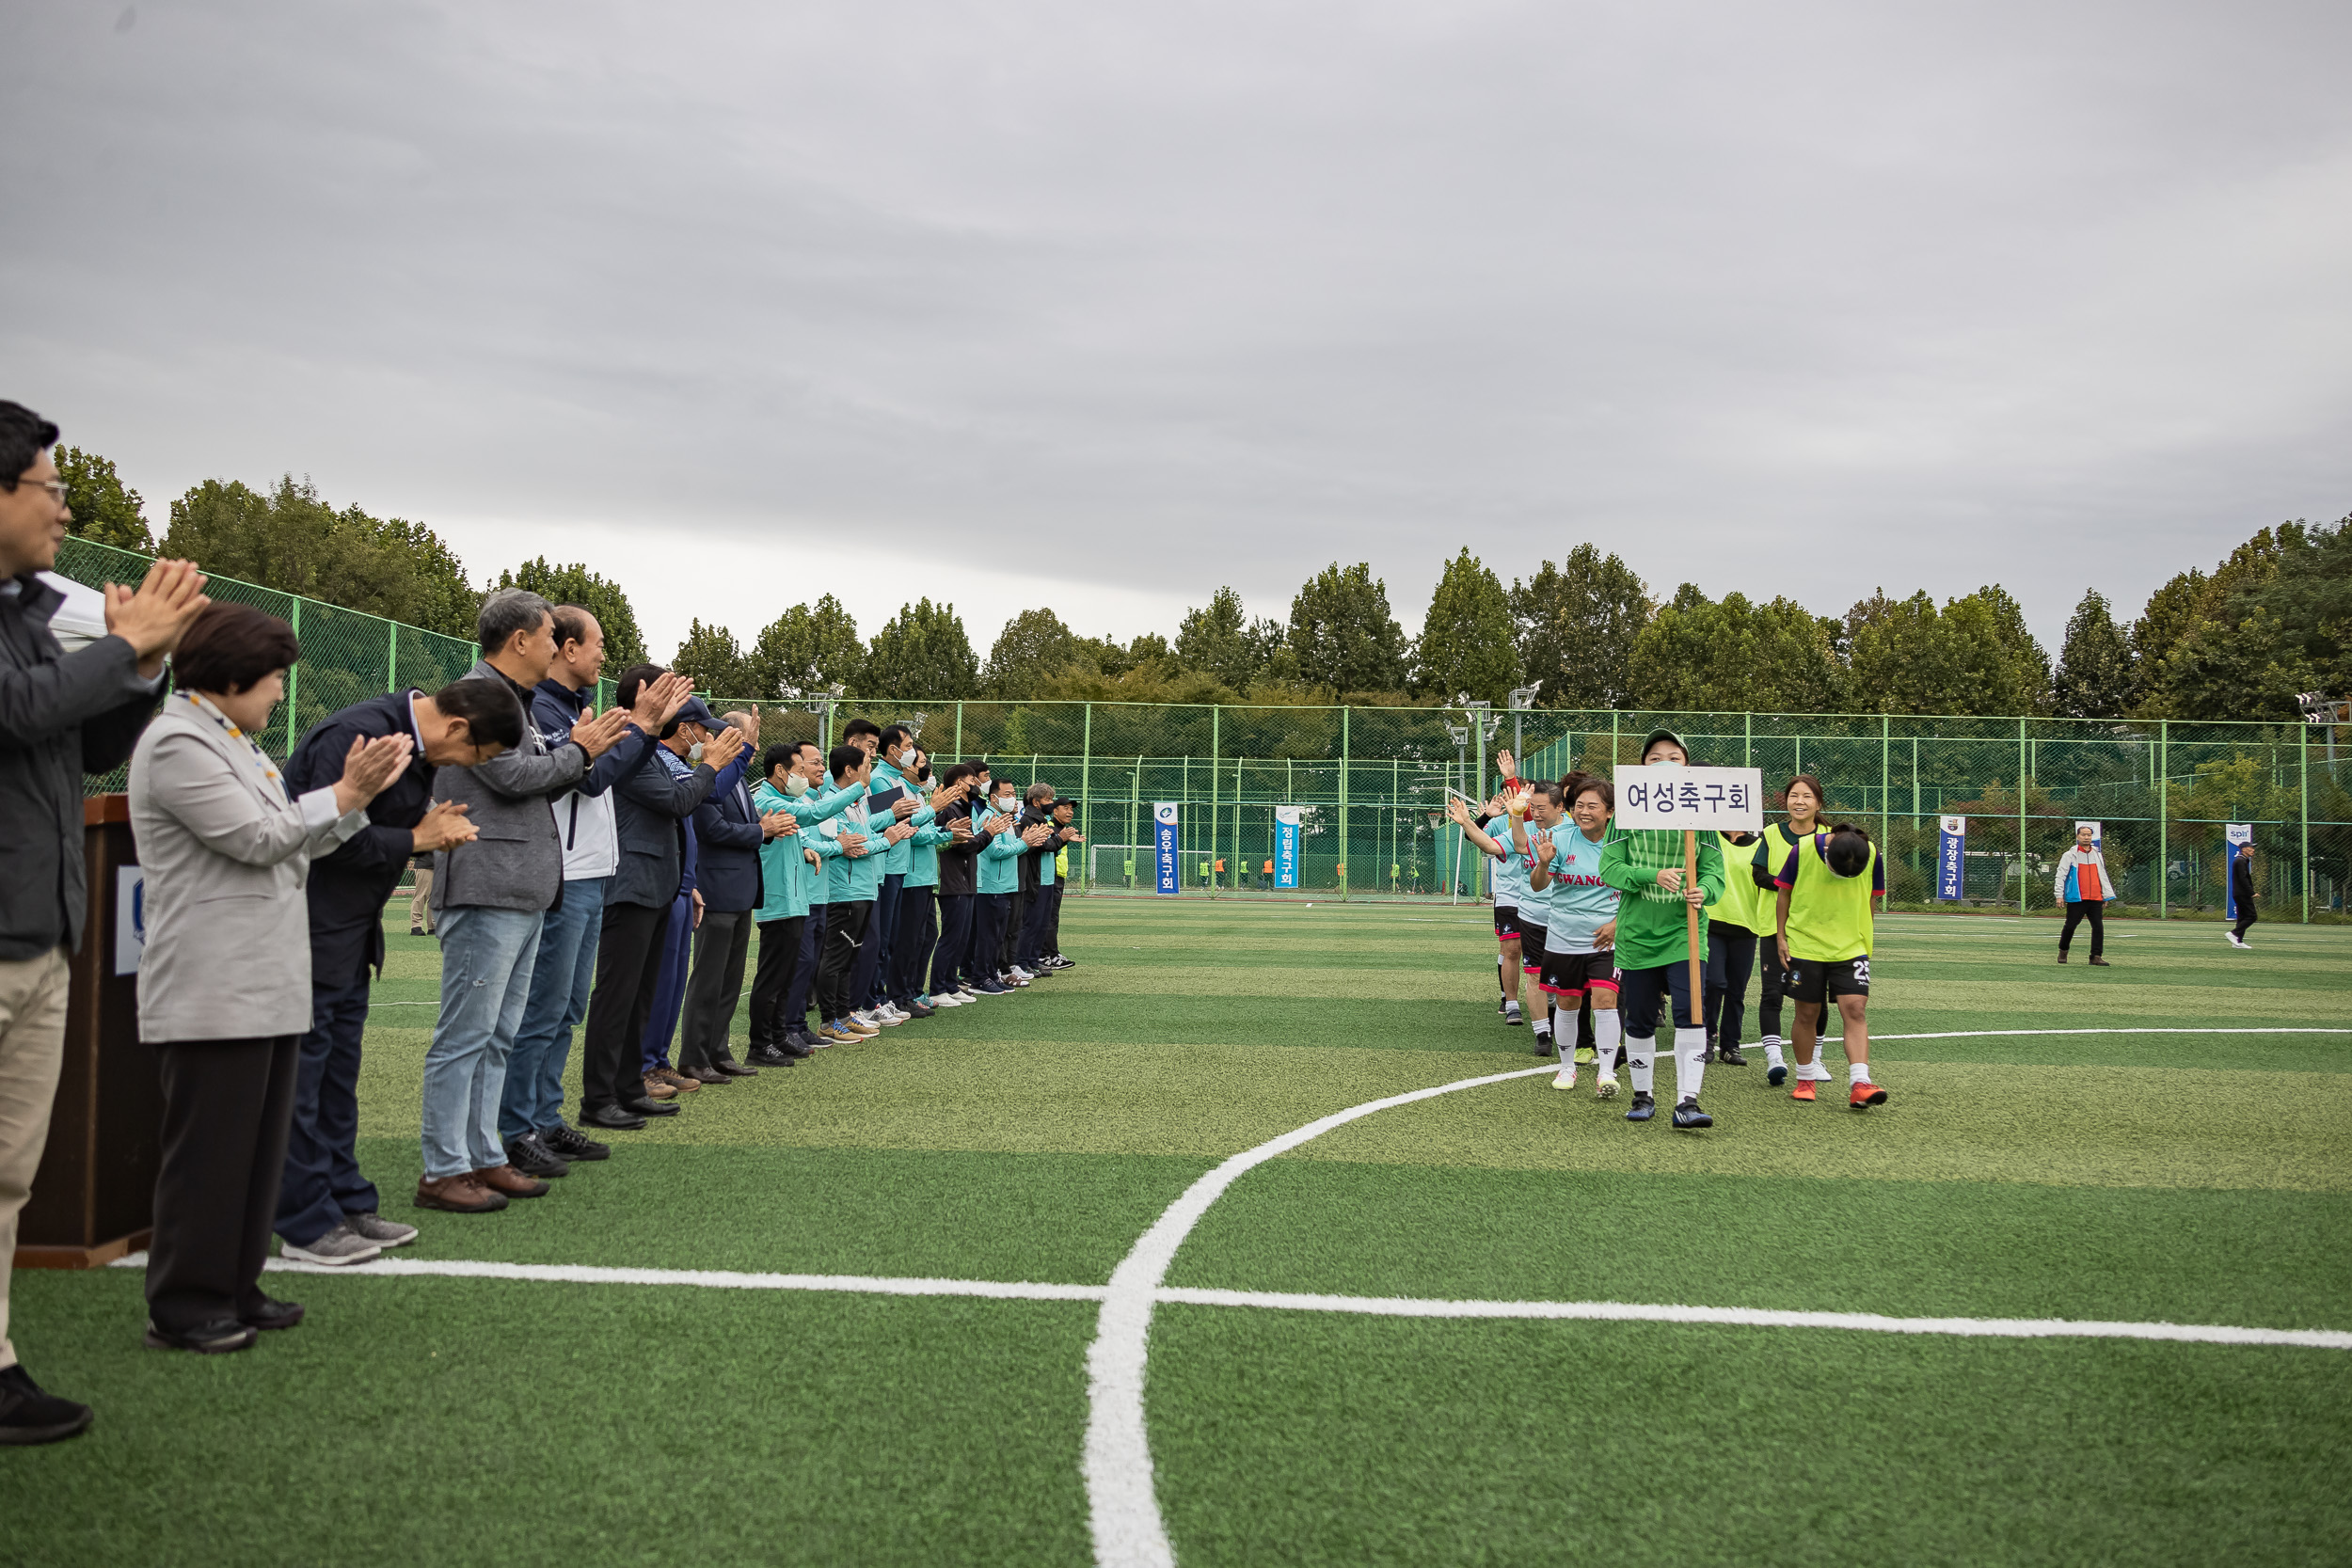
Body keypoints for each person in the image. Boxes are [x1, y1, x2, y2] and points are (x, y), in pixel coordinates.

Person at [128, 601, 411, 1353]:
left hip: (267, 977)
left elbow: (299, 839)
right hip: (213, 984)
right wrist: (345, 797)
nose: (282, 693)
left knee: (255, 1148)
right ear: (232, 674)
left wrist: (346, 809)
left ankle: (235, 1282)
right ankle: (185, 1304)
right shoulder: (176, 742)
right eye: (276, 678)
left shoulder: (236, 743)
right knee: (209, 1152)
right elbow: (258, 838)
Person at [0, 401, 202, 1441]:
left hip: (41, 926)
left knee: (9, 1171)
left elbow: (81, 745)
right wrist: (121, 642)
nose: (65, 513)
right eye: (51, 489)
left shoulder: (34, 617)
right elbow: (18, 708)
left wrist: (144, 663)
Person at [276, 680, 517, 1266]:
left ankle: (345, 1203)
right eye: (476, 756)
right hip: (302, 932)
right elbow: (308, 838)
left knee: (337, 1082)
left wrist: (423, 831)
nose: (468, 768)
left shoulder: (418, 751)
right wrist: (417, 838)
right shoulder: (355, 736)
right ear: (458, 729)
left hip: (349, 938)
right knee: (302, 1087)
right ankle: (304, 1222)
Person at [421, 590, 631, 1210]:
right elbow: (513, 777)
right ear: (519, 640)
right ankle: (443, 1167)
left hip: (517, 887)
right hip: (486, 884)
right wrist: (583, 750)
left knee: (498, 1034)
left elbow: (535, 770)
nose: (554, 647)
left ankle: (484, 1155)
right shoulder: (477, 695)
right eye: (547, 637)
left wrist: (575, 750)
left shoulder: (515, 700)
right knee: (466, 1035)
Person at [501, 612, 689, 1177]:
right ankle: (518, 1128)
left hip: (591, 873)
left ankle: (545, 1118)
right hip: (564, 872)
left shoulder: (569, 706)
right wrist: (642, 729)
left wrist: (638, 731)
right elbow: (590, 777)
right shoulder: (541, 707)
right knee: (544, 1009)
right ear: (567, 647)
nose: (605, 656)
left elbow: (600, 774)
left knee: (566, 1009)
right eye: (599, 645)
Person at [1597, 729, 1724, 1130]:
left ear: (1687, 766)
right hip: (1637, 935)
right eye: (1655, 758)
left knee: (1691, 1014)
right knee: (1639, 1017)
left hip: (1686, 936)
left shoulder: (1701, 818)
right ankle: (1642, 1095)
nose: (1665, 763)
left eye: (1674, 756)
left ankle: (1688, 1102)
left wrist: (1704, 890)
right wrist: (1652, 874)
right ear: (1641, 768)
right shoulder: (1625, 818)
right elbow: (1609, 868)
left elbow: (1716, 873)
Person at [678, 710, 795, 1082]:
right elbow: (711, 829)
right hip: (715, 890)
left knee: (729, 981)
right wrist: (761, 831)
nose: (752, 746)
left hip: (739, 891)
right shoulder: (706, 778)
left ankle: (718, 1051)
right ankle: (694, 1057)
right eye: (747, 738)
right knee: (708, 979)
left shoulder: (738, 780)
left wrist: (764, 830)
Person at [747, 740, 866, 1061]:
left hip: (797, 900)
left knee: (788, 976)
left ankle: (780, 1034)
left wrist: (808, 848)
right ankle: (760, 1044)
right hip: (778, 902)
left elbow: (802, 833)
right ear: (780, 771)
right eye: (800, 769)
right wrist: (858, 787)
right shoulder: (767, 800)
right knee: (773, 978)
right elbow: (815, 813)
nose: (806, 775)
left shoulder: (785, 799)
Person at [1773, 822, 1889, 1108]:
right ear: (1827, 853)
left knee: (1856, 1009)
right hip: (1805, 945)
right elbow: (1784, 893)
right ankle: (1805, 1080)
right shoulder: (1801, 851)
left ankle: (1860, 1083)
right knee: (1807, 1013)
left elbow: (1872, 899)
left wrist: (1866, 939)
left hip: (1851, 948)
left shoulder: (1872, 855)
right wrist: (1780, 936)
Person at [1524, 777, 1621, 1093]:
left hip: (1607, 939)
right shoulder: (1560, 837)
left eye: (1592, 806)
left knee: (1605, 1002)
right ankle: (1567, 1069)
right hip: (1563, 937)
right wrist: (1544, 861)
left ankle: (1606, 1073)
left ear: (1610, 812)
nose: (1584, 811)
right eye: (1579, 805)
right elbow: (1538, 885)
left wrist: (1617, 923)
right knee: (1567, 1002)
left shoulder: (1623, 843)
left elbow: (1636, 889)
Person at [1752, 774, 1828, 1086]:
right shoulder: (1771, 833)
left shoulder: (1830, 836)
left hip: (1816, 930)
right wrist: (1787, 886)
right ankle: (1774, 1058)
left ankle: (1816, 1059)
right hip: (1773, 926)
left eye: (1807, 796)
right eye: (1794, 795)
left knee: (1814, 999)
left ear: (1818, 803)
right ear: (1786, 800)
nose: (1800, 801)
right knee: (1772, 993)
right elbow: (1757, 874)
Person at [814, 745, 887, 1040]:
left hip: (863, 889)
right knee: (835, 957)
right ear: (850, 770)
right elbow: (854, 848)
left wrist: (891, 828)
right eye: (868, 764)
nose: (871, 770)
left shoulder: (858, 802)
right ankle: (828, 1021)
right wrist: (888, 841)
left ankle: (845, 1015)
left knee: (849, 957)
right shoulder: (831, 802)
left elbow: (864, 836)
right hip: (844, 891)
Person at [1701, 822, 1771, 1067]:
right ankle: (1707, 1038)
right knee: (1713, 982)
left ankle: (1730, 1045)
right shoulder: (1709, 837)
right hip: (1711, 923)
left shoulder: (1760, 845)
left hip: (1746, 926)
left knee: (1736, 990)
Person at [930, 763, 983, 1002]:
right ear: (959, 782)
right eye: (972, 779)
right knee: (951, 937)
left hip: (965, 880)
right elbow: (963, 845)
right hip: (953, 881)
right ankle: (938, 988)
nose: (976, 785)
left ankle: (951, 985)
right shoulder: (951, 809)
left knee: (960, 937)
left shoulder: (964, 808)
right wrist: (988, 833)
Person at [970, 776, 1025, 993]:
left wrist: (1023, 842)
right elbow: (994, 851)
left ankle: (992, 974)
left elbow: (1010, 847)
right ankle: (980, 979)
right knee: (988, 935)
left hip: (1004, 885)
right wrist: (1025, 843)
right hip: (991, 886)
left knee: (998, 936)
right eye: (1007, 795)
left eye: (1013, 794)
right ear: (993, 798)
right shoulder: (989, 818)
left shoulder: (1003, 818)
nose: (1012, 799)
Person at [2054, 824, 2117, 967]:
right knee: (2070, 926)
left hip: (2095, 898)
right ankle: (2063, 950)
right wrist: (2059, 895)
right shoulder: (2069, 855)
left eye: (2089, 835)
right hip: (2077, 898)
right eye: (2083, 834)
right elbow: (2060, 875)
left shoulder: (2097, 854)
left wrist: (2106, 895)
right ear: (2077, 836)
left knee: (2098, 927)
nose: (2086, 837)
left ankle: (2095, 956)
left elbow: (2103, 875)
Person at [2228, 842, 2258, 949]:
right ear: (2244, 849)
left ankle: (2238, 942)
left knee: (2242, 917)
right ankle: (2234, 933)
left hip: (2239, 893)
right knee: (2252, 916)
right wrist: (2251, 892)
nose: (2253, 850)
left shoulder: (2243, 860)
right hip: (2242, 893)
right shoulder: (2240, 861)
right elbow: (2243, 878)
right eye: (2251, 848)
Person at [407, 854, 435, 937]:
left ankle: (433, 926)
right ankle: (416, 926)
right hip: (425, 864)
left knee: (435, 897)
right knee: (421, 896)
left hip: (440, 864)